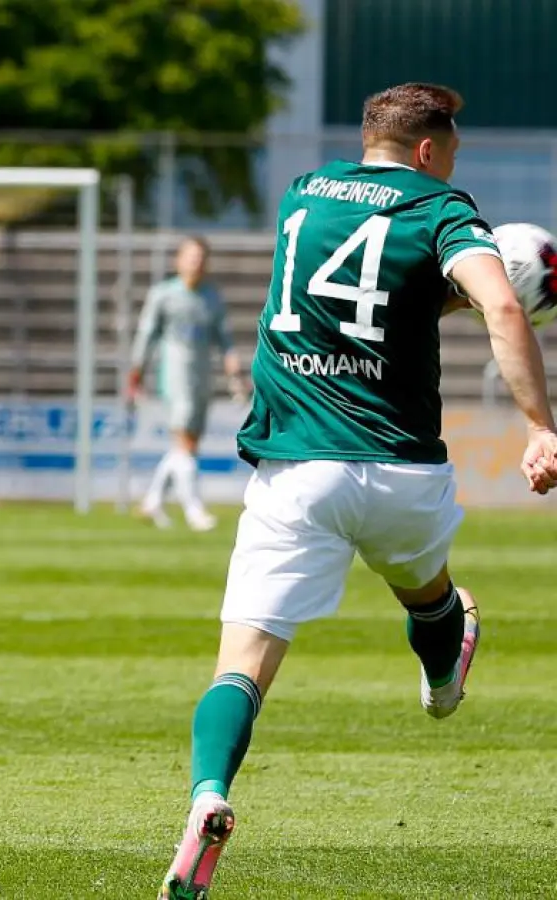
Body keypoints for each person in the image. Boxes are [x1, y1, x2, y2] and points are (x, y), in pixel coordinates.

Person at [158, 83, 557, 899]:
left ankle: (207, 799)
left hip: (298, 468)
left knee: (241, 664)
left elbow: (356, 300)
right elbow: (503, 306)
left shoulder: (304, 196)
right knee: (427, 592)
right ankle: (444, 667)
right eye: (450, 152)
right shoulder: (444, 210)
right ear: (425, 151)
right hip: (402, 470)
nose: (452, 166)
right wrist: (541, 427)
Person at [127, 236, 247, 531]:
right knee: (185, 441)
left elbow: (224, 339)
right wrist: (136, 373)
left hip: (202, 375)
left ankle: (153, 500)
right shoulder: (163, 294)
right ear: (178, 260)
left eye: (201, 257)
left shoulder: (211, 297)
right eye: (191, 256)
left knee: (188, 444)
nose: (196, 262)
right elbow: (147, 336)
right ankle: (195, 510)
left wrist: (235, 370)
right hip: (175, 373)